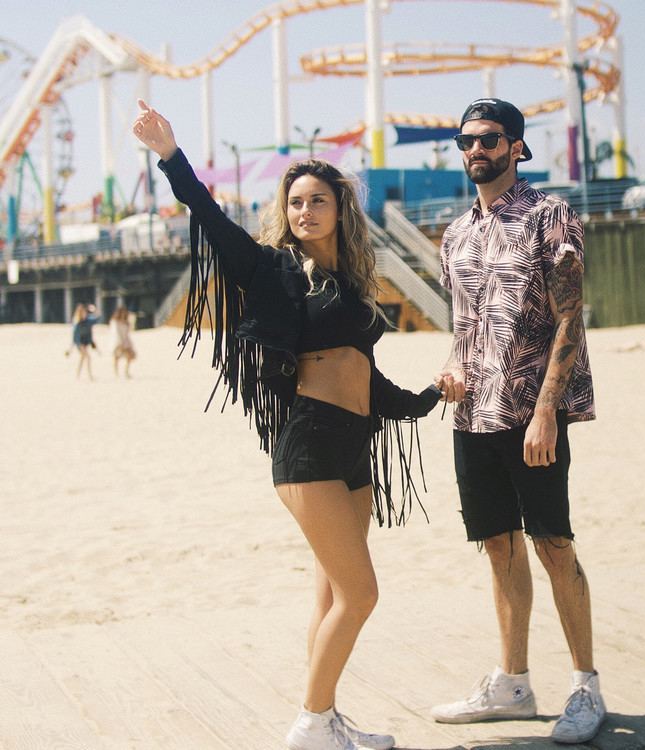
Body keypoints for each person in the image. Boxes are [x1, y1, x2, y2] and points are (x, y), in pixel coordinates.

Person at [133, 99, 441, 750]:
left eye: (317, 201)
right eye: (295, 202)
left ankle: (325, 718)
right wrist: (170, 155)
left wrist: (428, 398)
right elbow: (210, 219)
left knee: (332, 594)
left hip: (357, 444)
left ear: (338, 209)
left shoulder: (353, 285)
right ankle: (309, 724)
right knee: (361, 595)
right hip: (309, 443)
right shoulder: (271, 269)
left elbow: (367, 378)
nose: (305, 211)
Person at [431, 98, 605, 744]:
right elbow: (463, 327)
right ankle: (513, 682)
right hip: (472, 415)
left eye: (490, 139)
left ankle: (586, 685)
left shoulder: (548, 216)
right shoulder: (454, 234)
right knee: (498, 545)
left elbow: (571, 314)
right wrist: (451, 366)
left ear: (516, 147)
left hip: (532, 413)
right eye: (466, 139)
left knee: (553, 543)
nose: (476, 149)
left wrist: (546, 413)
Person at [69, 302, 99, 380]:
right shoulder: (78, 323)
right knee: (88, 357)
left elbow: (97, 318)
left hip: (85, 342)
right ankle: (89, 375)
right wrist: (71, 348)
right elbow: (75, 336)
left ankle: (78, 374)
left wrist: (94, 309)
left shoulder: (88, 321)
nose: (84, 314)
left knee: (83, 358)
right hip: (79, 342)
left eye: (85, 312)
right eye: (82, 312)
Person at [110, 306, 137, 378]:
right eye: (122, 313)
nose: (123, 314)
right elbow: (116, 333)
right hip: (117, 342)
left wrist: (130, 344)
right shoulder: (115, 322)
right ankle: (116, 373)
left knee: (130, 356)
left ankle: (126, 371)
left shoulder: (126, 323)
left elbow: (127, 334)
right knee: (117, 357)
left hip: (125, 341)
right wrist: (119, 343)